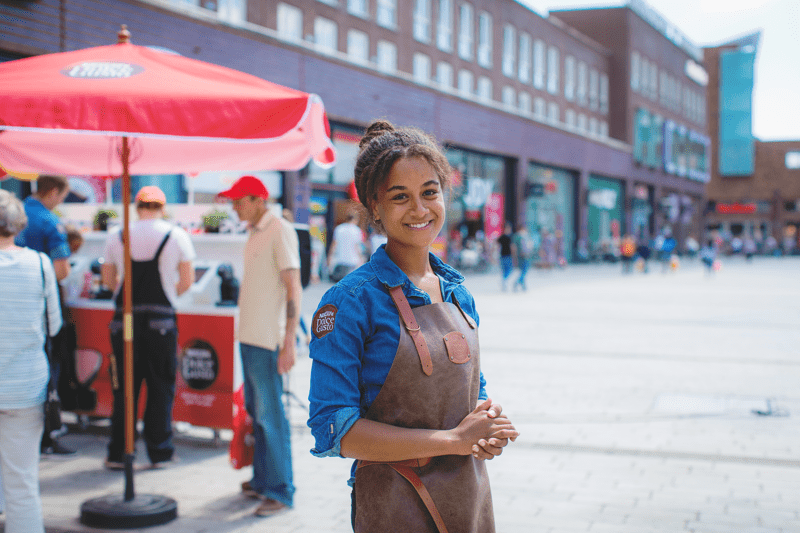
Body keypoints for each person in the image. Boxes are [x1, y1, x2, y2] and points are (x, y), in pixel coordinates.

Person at [307, 120, 519, 533]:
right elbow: (334, 428)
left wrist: (486, 423)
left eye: (429, 192)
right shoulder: (351, 301)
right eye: (400, 196)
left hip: (469, 498)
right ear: (375, 206)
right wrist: (454, 441)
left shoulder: (458, 293)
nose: (420, 209)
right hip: (394, 506)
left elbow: (472, 391)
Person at [217, 175, 301, 517]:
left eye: (239, 201)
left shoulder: (279, 229)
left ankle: (280, 490)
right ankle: (264, 480)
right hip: (251, 338)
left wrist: (289, 341)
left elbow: (293, 287)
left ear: (258, 199)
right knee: (258, 414)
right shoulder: (254, 232)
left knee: (271, 417)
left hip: (268, 340)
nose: (235, 207)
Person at [101, 186, 196, 470]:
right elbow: (187, 281)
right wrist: (169, 293)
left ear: (137, 206)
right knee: (160, 388)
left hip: (124, 322)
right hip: (161, 324)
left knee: (124, 388)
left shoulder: (117, 235)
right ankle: (160, 453)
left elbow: (108, 280)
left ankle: (118, 453)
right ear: (162, 208)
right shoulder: (176, 235)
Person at [0, 189, 62, 533]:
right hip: (26, 387)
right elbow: (54, 325)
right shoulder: (39, 264)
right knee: (21, 483)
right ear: (19, 224)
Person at [14, 174, 75, 456]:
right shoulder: (50, 222)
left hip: (11, 300)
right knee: (49, 366)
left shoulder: (15, 213)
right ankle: (47, 433)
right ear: (52, 192)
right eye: (61, 196)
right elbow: (61, 270)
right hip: (40, 302)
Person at [327, 211, 365, 282]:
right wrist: (361, 259)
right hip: (352, 262)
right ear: (356, 220)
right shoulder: (357, 230)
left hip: (340, 260)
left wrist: (329, 256)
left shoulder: (339, 228)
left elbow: (334, 244)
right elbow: (357, 247)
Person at [511, 223, 534, 291]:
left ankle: (523, 285)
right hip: (524, 256)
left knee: (523, 270)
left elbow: (514, 247)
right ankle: (517, 282)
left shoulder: (518, 236)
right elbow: (514, 247)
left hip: (522, 255)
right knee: (524, 270)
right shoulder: (522, 236)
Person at [497, 222, 514, 291]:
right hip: (507, 256)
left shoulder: (502, 237)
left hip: (502, 255)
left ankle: (504, 281)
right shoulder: (509, 237)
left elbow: (496, 244)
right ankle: (504, 280)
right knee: (509, 269)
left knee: (505, 270)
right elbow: (512, 247)